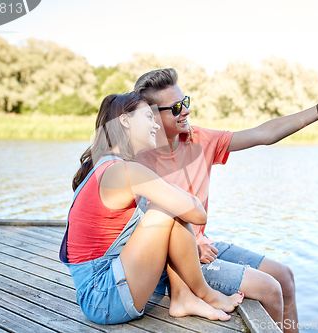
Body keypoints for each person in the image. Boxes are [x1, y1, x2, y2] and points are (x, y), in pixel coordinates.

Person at [134, 68, 318, 332]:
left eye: (185, 102)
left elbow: (263, 133)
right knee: (270, 289)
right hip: (169, 264)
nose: (185, 110)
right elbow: (138, 230)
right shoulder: (139, 156)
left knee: (285, 277)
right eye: (176, 107)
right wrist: (188, 247)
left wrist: (317, 111)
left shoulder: (200, 139)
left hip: (203, 246)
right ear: (152, 115)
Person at [59, 92, 243, 325]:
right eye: (148, 116)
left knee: (166, 207)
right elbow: (198, 215)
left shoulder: (105, 165)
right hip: (103, 297)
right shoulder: (124, 171)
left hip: (99, 291)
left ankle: (183, 297)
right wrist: (185, 197)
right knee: (165, 210)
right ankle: (204, 293)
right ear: (125, 121)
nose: (156, 123)